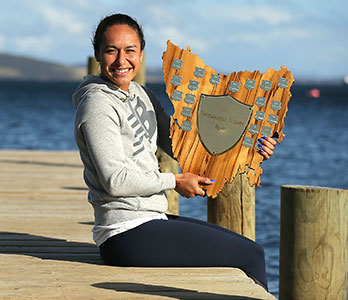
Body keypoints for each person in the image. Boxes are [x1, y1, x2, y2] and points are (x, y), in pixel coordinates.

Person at [72, 13, 277, 290]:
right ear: (98, 55)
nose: (122, 60)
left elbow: (185, 145)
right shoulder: (97, 105)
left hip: (150, 220)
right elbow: (115, 180)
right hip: (124, 234)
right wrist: (175, 181)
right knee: (251, 255)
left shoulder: (143, 96)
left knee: (247, 248)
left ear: (141, 54)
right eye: (111, 51)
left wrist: (250, 149)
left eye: (130, 50)